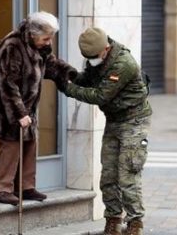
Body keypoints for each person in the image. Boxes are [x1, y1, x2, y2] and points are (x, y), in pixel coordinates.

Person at [61, 27, 152, 235]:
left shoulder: (123, 64)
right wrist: (67, 74)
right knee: (109, 175)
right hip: (114, 120)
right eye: (88, 58)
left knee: (127, 174)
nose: (91, 61)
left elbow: (101, 96)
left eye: (93, 57)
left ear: (106, 49)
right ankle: (113, 221)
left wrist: (68, 89)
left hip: (134, 121)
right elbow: (87, 78)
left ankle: (135, 223)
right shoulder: (98, 58)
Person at [0, 11, 76, 205]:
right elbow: (7, 84)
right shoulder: (13, 46)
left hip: (26, 106)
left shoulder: (39, 45)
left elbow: (50, 64)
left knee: (31, 142)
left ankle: (26, 187)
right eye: (46, 38)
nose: (49, 42)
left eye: (51, 38)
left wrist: (71, 74)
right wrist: (20, 113)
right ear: (33, 33)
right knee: (12, 144)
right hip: (4, 106)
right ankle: (1, 189)